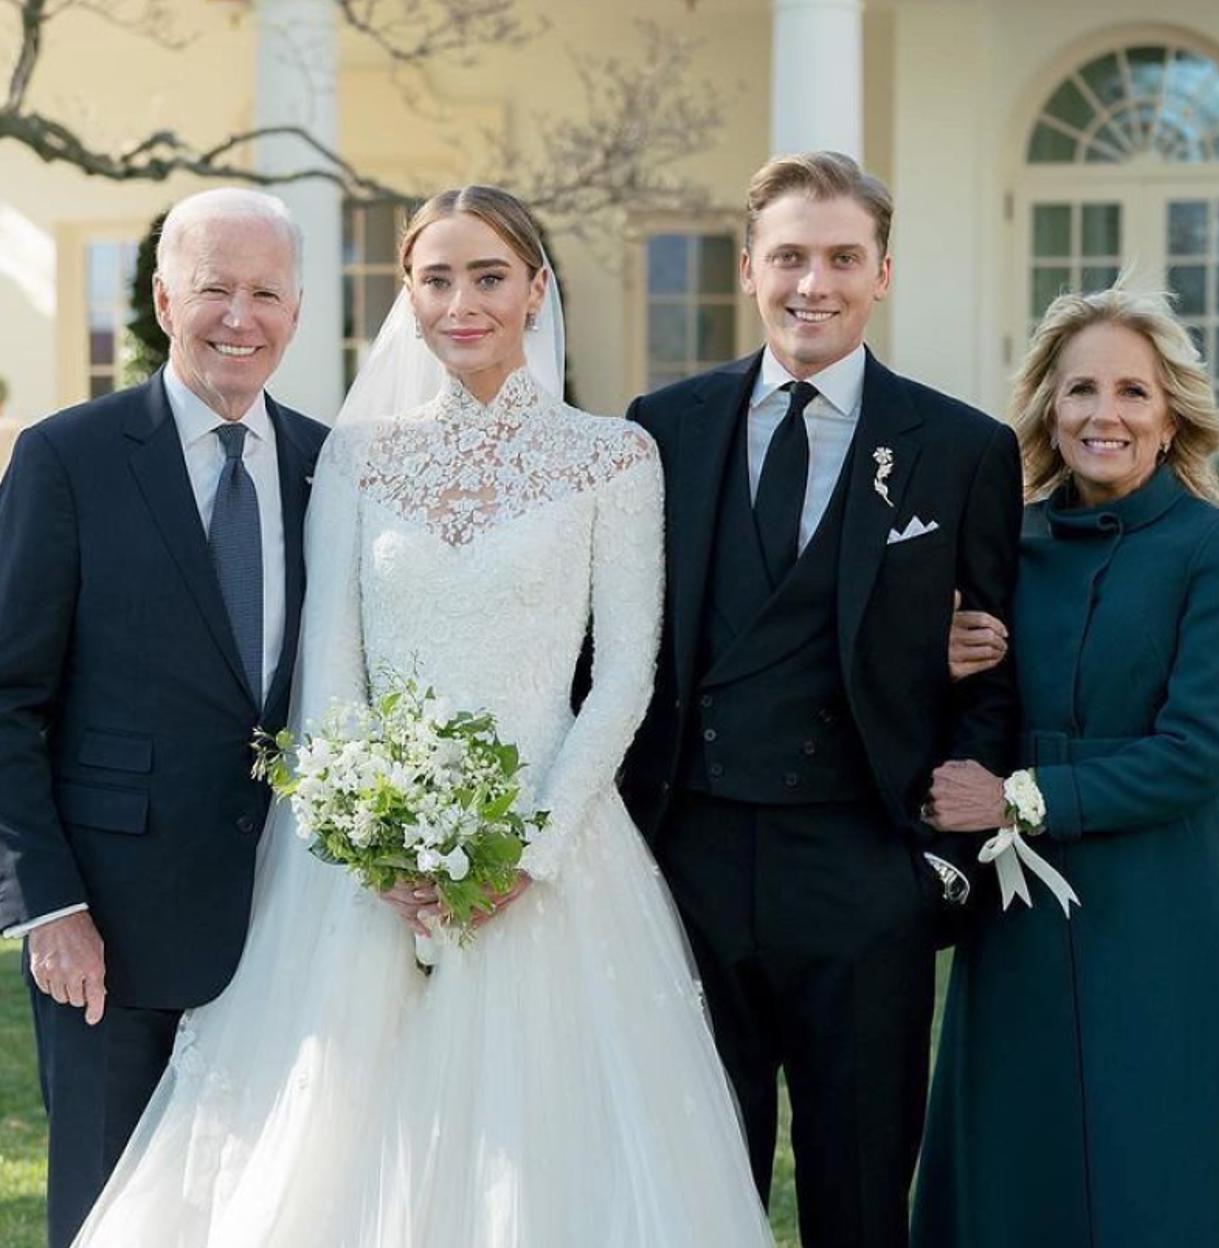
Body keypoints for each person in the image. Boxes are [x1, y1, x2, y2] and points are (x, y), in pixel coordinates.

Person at [67, 185, 776, 1247]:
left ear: (536, 288)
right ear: (408, 293)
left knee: (547, 1162)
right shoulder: (357, 459)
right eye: (435, 278)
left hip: (554, 860)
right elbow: (331, 672)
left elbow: (625, 676)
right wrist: (377, 845)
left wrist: (524, 854)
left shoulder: (614, 457)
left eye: (488, 275)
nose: (461, 302)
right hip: (369, 878)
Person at [620, 151, 1022, 1248]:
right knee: (699, 1182)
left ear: (882, 273)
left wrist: (932, 866)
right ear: (749, 267)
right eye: (790, 256)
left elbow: (1000, 676)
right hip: (685, 863)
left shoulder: (965, 448)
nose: (815, 283)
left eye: (843, 258)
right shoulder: (662, 428)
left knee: (857, 1192)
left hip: (862, 868)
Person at [0, 188, 326, 1248]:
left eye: (266, 292)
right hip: (110, 937)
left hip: (292, 929)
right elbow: (8, 700)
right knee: (108, 1216)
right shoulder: (68, 458)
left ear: (298, 309)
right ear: (162, 297)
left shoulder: (336, 468)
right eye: (215, 289)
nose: (241, 317)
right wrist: (49, 908)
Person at [913, 287, 1219, 1248]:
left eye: (1134, 392)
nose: (1107, 414)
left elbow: (1196, 753)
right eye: (1081, 390)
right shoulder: (1002, 544)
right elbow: (971, 711)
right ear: (1048, 411)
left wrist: (1020, 796)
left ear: (1171, 412)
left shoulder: (1217, 549)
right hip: (1022, 911)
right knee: (1022, 1138)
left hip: (1162, 899)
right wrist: (943, 662)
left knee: (1161, 1145)